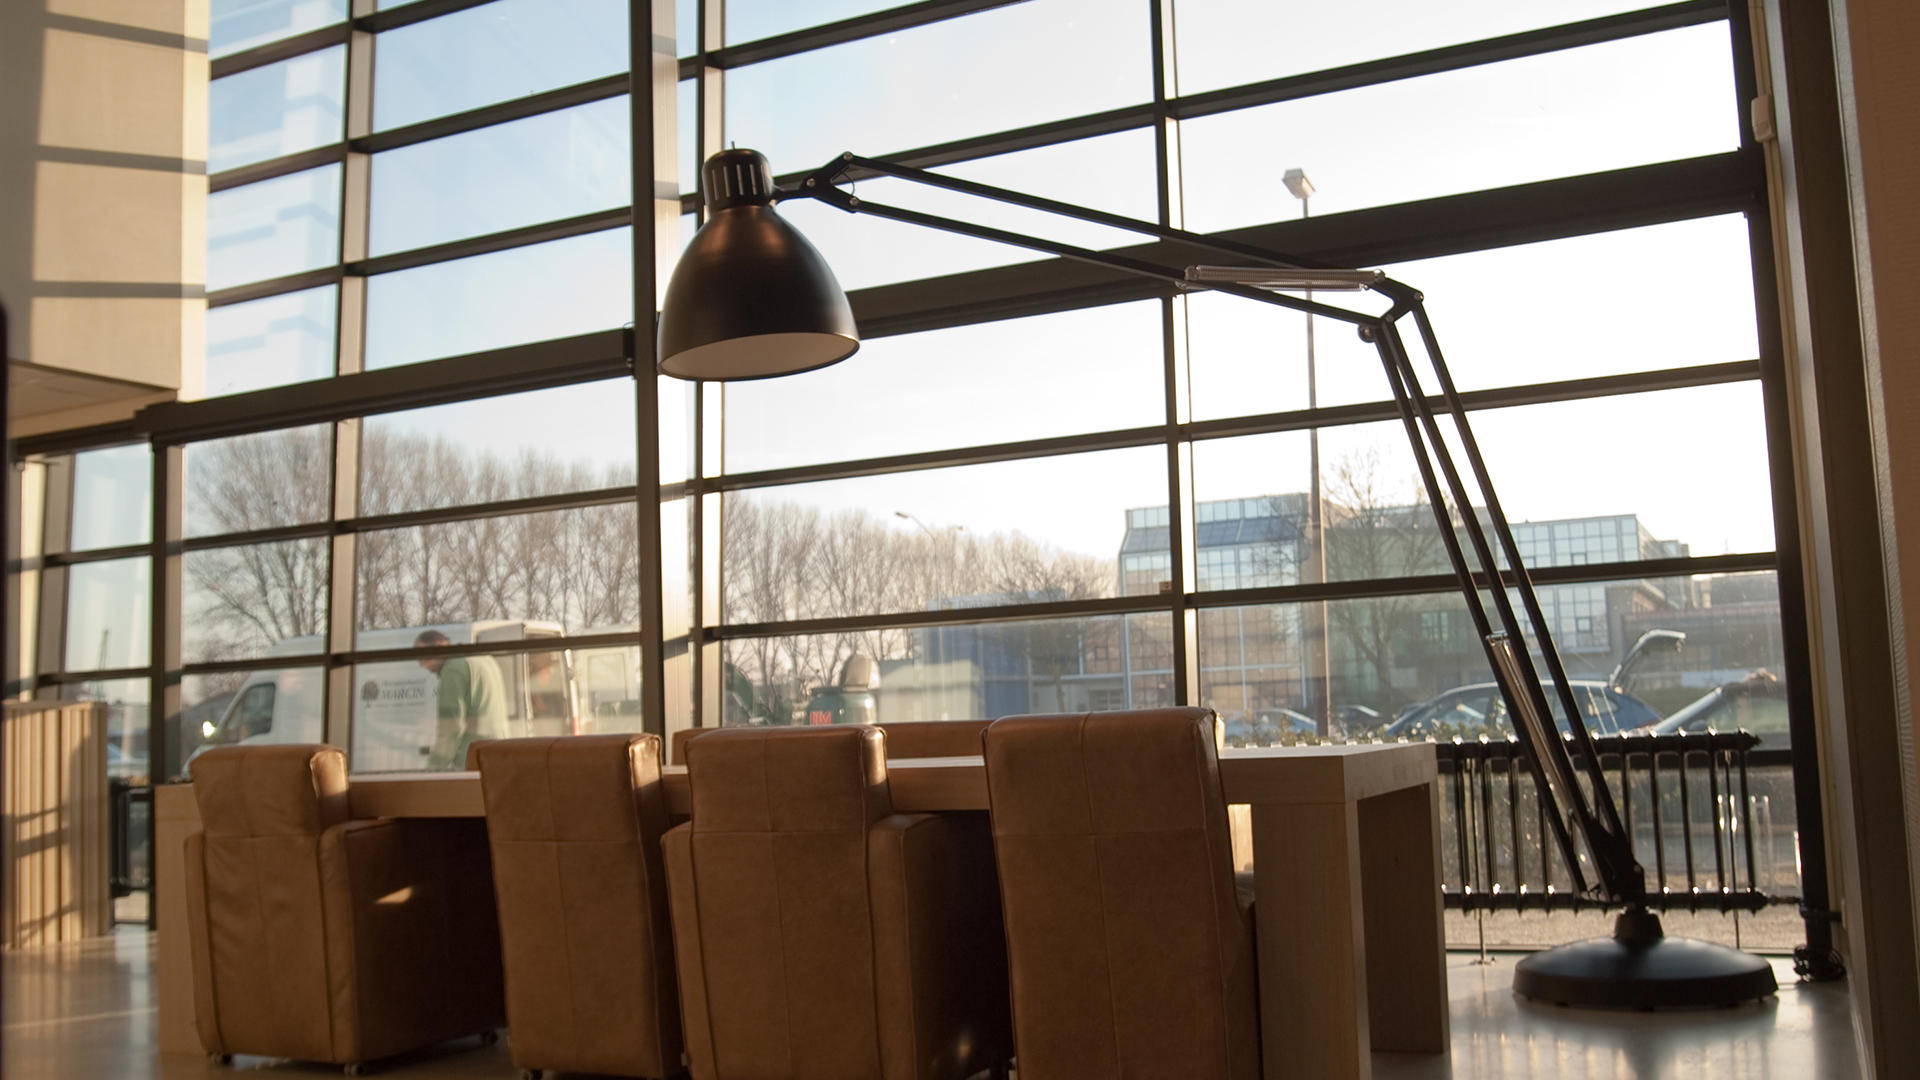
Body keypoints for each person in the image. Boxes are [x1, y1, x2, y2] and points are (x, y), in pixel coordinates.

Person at [415, 630, 509, 768]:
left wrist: (432, 770)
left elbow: (451, 727)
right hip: (500, 753)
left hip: (474, 759)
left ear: (440, 645)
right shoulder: (485, 658)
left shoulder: (453, 670)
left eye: (423, 657)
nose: (422, 664)